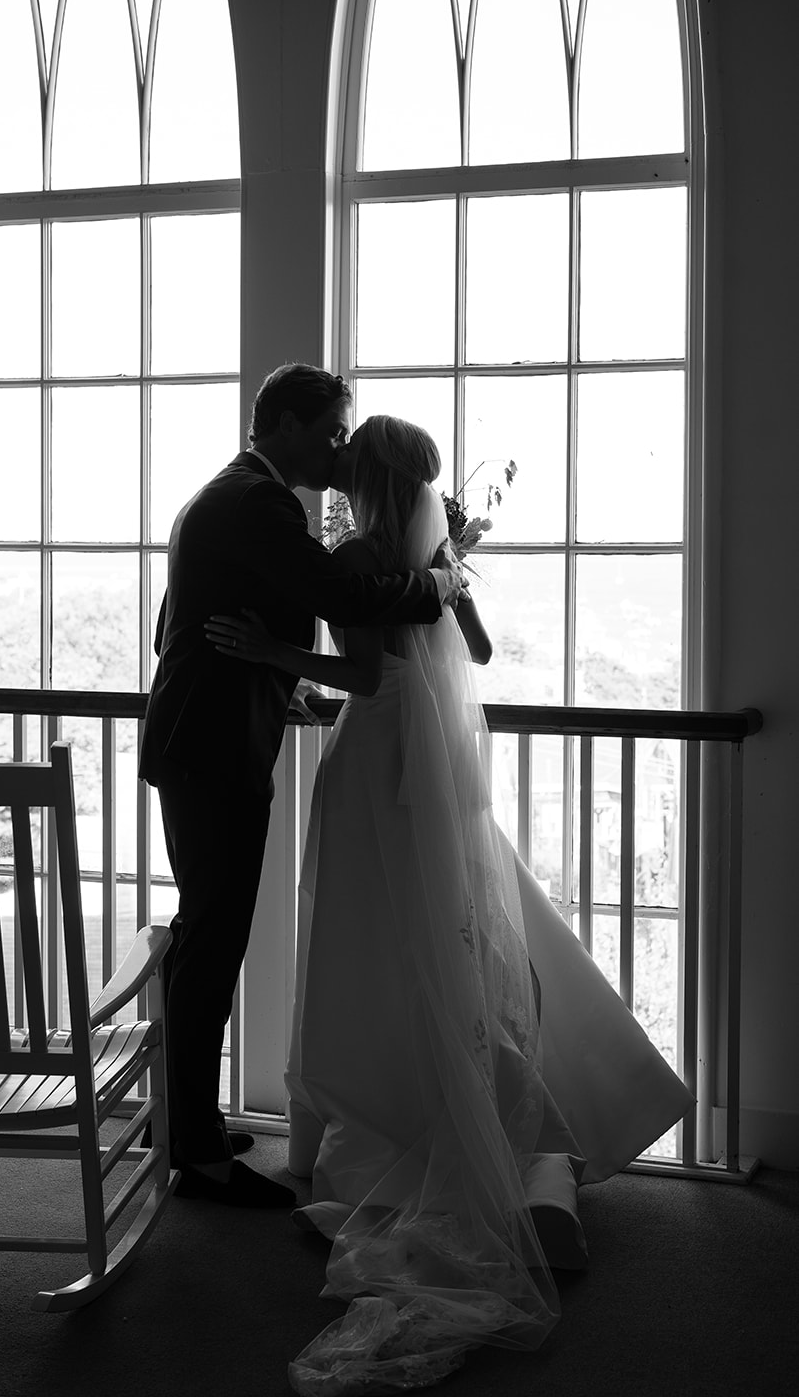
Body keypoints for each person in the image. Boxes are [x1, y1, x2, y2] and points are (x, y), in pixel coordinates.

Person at [206, 414, 695, 1391]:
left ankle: (410, 1132)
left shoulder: (353, 557)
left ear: (366, 484)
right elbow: (459, 642)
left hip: (374, 765)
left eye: (349, 462)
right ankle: (502, 1131)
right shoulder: (424, 556)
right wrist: (449, 557)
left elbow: (366, 673)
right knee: (453, 940)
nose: (336, 471)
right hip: (432, 774)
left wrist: (268, 649)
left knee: (373, 948)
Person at [139, 367, 463, 1210]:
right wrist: (434, 584)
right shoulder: (258, 501)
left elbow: (177, 627)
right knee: (212, 941)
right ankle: (196, 1151)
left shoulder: (233, 494)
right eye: (327, 432)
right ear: (281, 422)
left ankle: (181, 1121)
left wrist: (282, 685)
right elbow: (330, 592)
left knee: (206, 933)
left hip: (201, 742)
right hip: (209, 753)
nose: (336, 449)